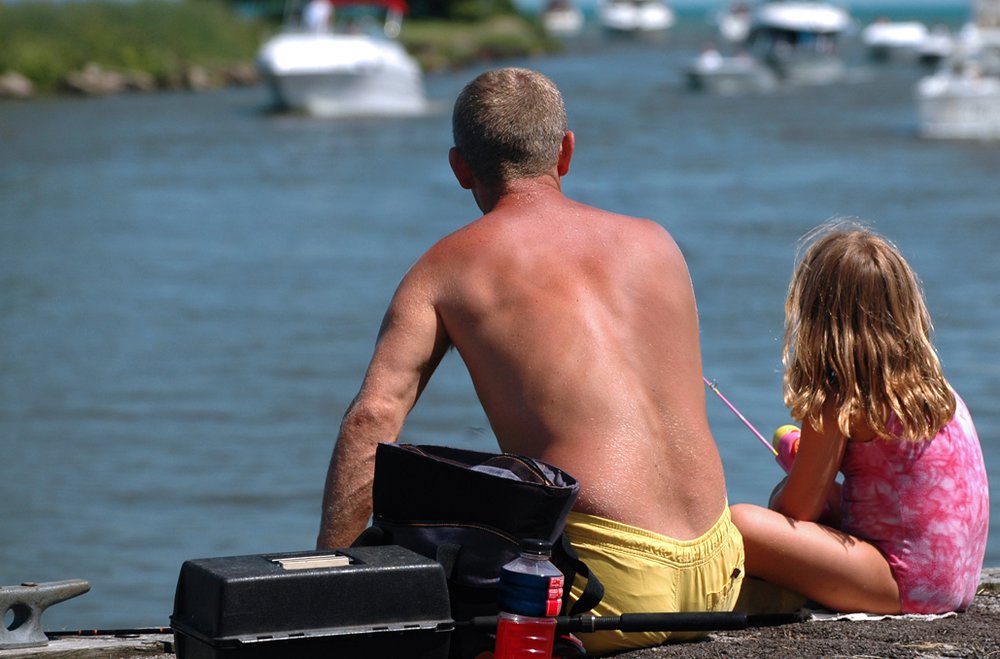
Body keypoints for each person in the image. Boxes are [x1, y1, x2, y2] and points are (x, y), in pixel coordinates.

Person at [316, 67, 744, 653]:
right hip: (720, 572)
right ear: (565, 151)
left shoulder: (442, 270)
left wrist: (325, 583)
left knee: (428, 551)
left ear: (459, 166)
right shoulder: (656, 241)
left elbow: (372, 419)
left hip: (608, 592)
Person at [731, 220, 990, 615]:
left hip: (904, 585)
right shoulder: (936, 390)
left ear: (819, 318)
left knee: (743, 524)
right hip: (956, 582)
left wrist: (785, 491)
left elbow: (796, 513)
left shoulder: (840, 399)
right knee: (827, 500)